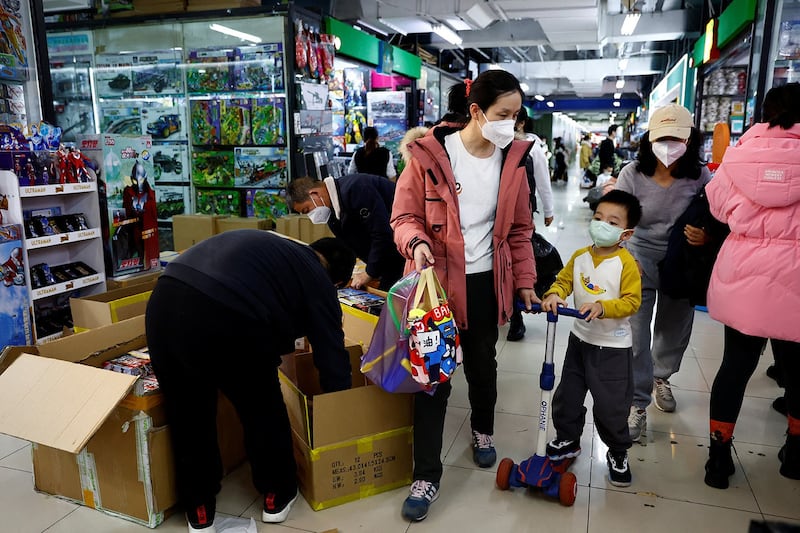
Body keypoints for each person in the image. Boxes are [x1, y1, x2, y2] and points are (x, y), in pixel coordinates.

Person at [390, 69, 539, 521]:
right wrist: (416, 245)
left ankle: (483, 430)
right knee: (432, 380)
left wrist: (526, 282)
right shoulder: (430, 156)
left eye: (516, 116)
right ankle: (427, 476)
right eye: (503, 114)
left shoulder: (513, 161)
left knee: (482, 366)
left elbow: (519, 229)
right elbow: (403, 217)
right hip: (434, 284)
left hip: (485, 281)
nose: (511, 125)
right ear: (476, 111)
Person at [145, 231, 357, 533]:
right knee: (261, 407)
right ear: (340, 281)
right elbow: (332, 353)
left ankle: (199, 510)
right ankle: (277, 495)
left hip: (164, 304)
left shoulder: (280, 250)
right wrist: (339, 413)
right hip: (228, 312)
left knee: (188, 414)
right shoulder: (318, 278)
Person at [703, 83, 800, 488]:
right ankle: (795, 456)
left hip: (743, 271)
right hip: (795, 276)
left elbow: (718, 206)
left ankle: (718, 459)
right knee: (797, 372)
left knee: (734, 368)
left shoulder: (739, 155)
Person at [614, 103, 711, 441]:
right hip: (639, 257)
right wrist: (626, 256)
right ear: (649, 139)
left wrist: (705, 236)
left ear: (690, 140)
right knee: (637, 335)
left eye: (676, 138)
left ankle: (662, 377)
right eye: (662, 138)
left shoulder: (700, 176)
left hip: (680, 260)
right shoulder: (632, 173)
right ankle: (637, 402)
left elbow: (712, 214)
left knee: (674, 326)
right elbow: (616, 219)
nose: (669, 145)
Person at [542, 189, 642, 487]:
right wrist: (554, 294)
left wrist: (602, 307)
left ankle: (618, 450)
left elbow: (631, 302)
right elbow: (562, 281)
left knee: (611, 406)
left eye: (612, 222)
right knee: (567, 397)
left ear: (625, 233)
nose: (602, 225)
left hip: (612, 348)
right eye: (598, 218)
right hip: (579, 342)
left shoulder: (626, 264)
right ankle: (568, 439)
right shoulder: (580, 257)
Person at [287, 174, 405, 290]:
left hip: (403, 252)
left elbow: (382, 233)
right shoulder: (332, 215)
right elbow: (351, 244)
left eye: (307, 210)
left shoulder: (356, 188)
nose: (311, 216)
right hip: (387, 261)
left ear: (314, 194)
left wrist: (370, 272)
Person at [506, 107, 555, 341]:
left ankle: (516, 318)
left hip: (523, 212)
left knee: (517, 261)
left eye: (513, 117)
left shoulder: (533, 148)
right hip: (500, 213)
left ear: (522, 123)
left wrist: (549, 209)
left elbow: (544, 180)